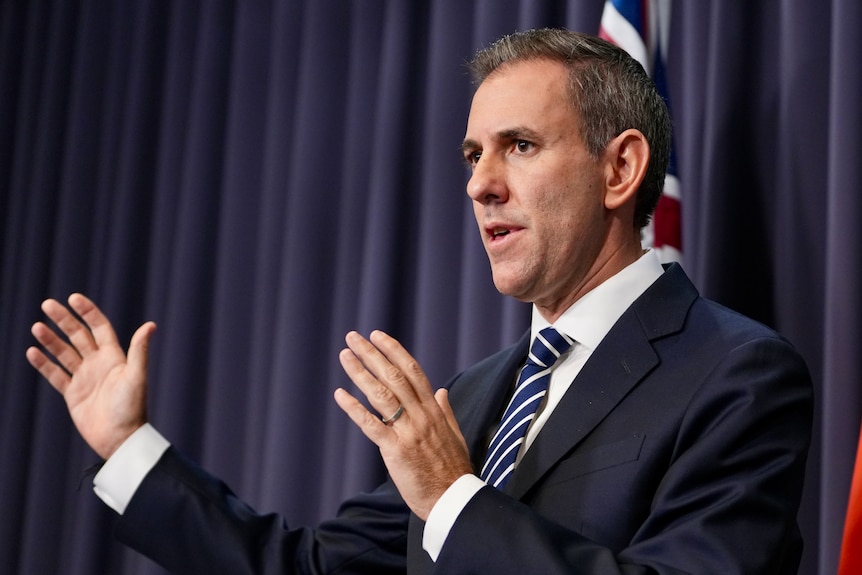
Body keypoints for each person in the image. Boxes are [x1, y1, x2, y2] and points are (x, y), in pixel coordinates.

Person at [27, 28, 813, 574]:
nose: (479, 184)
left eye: (521, 146)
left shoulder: (736, 374)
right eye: (474, 154)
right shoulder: (474, 397)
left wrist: (453, 498)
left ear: (620, 170)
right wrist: (127, 446)